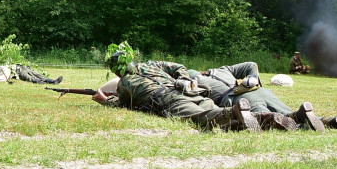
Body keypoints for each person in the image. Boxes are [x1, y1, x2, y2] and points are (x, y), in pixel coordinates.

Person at [92, 46, 259, 132]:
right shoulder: (151, 64)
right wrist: (185, 81)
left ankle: (233, 112)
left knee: (198, 118)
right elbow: (179, 67)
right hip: (189, 91)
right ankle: (261, 118)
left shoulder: (124, 84)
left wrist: (105, 100)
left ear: (115, 70)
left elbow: (123, 105)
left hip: (169, 100)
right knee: (213, 111)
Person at [190, 62, 337, 132]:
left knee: (268, 120)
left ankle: (302, 126)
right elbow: (251, 65)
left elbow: (200, 102)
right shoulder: (223, 70)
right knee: (293, 114)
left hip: (241, 100)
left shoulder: (195, 82)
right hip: (261, 92)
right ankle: (329, 122)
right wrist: (252, 82)